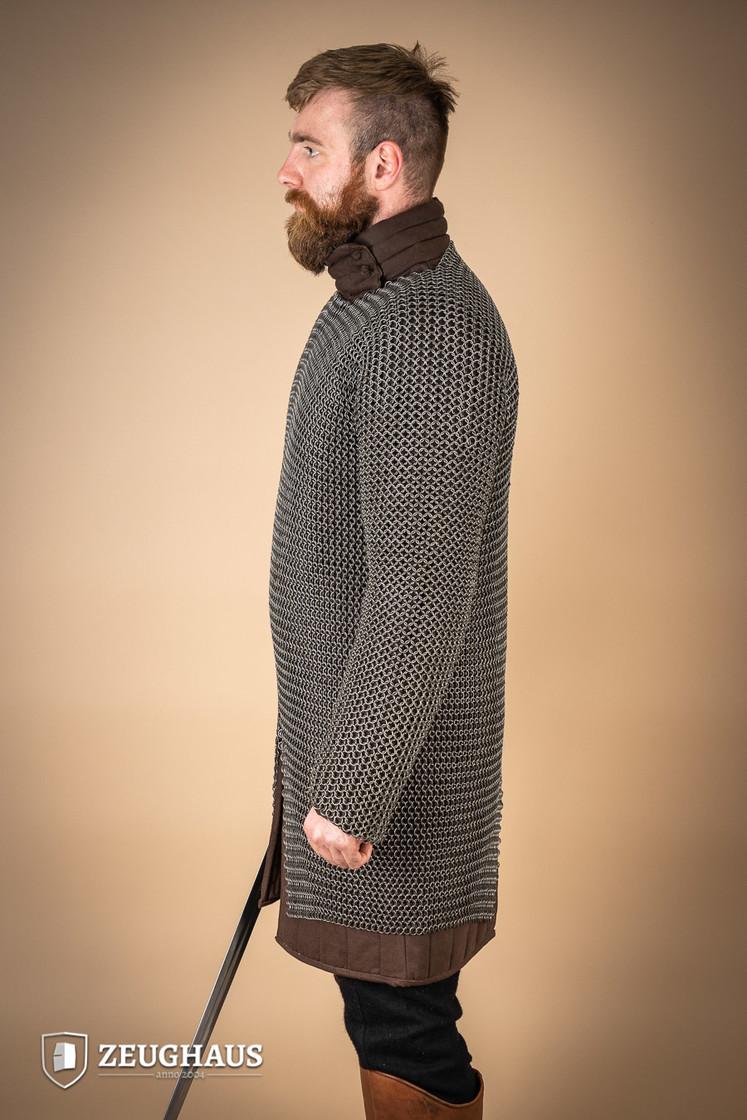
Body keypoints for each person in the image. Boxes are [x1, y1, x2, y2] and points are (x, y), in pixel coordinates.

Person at [257, 41, 519, 1118]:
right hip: (358, 759)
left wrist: (355, 782)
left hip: (393, 786)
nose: (286, 170)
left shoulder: (426, 326)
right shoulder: (373, 305)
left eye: (309, 147)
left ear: (384, 164)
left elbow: (421, 583)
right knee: (392, 1023)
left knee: (405, 1028)